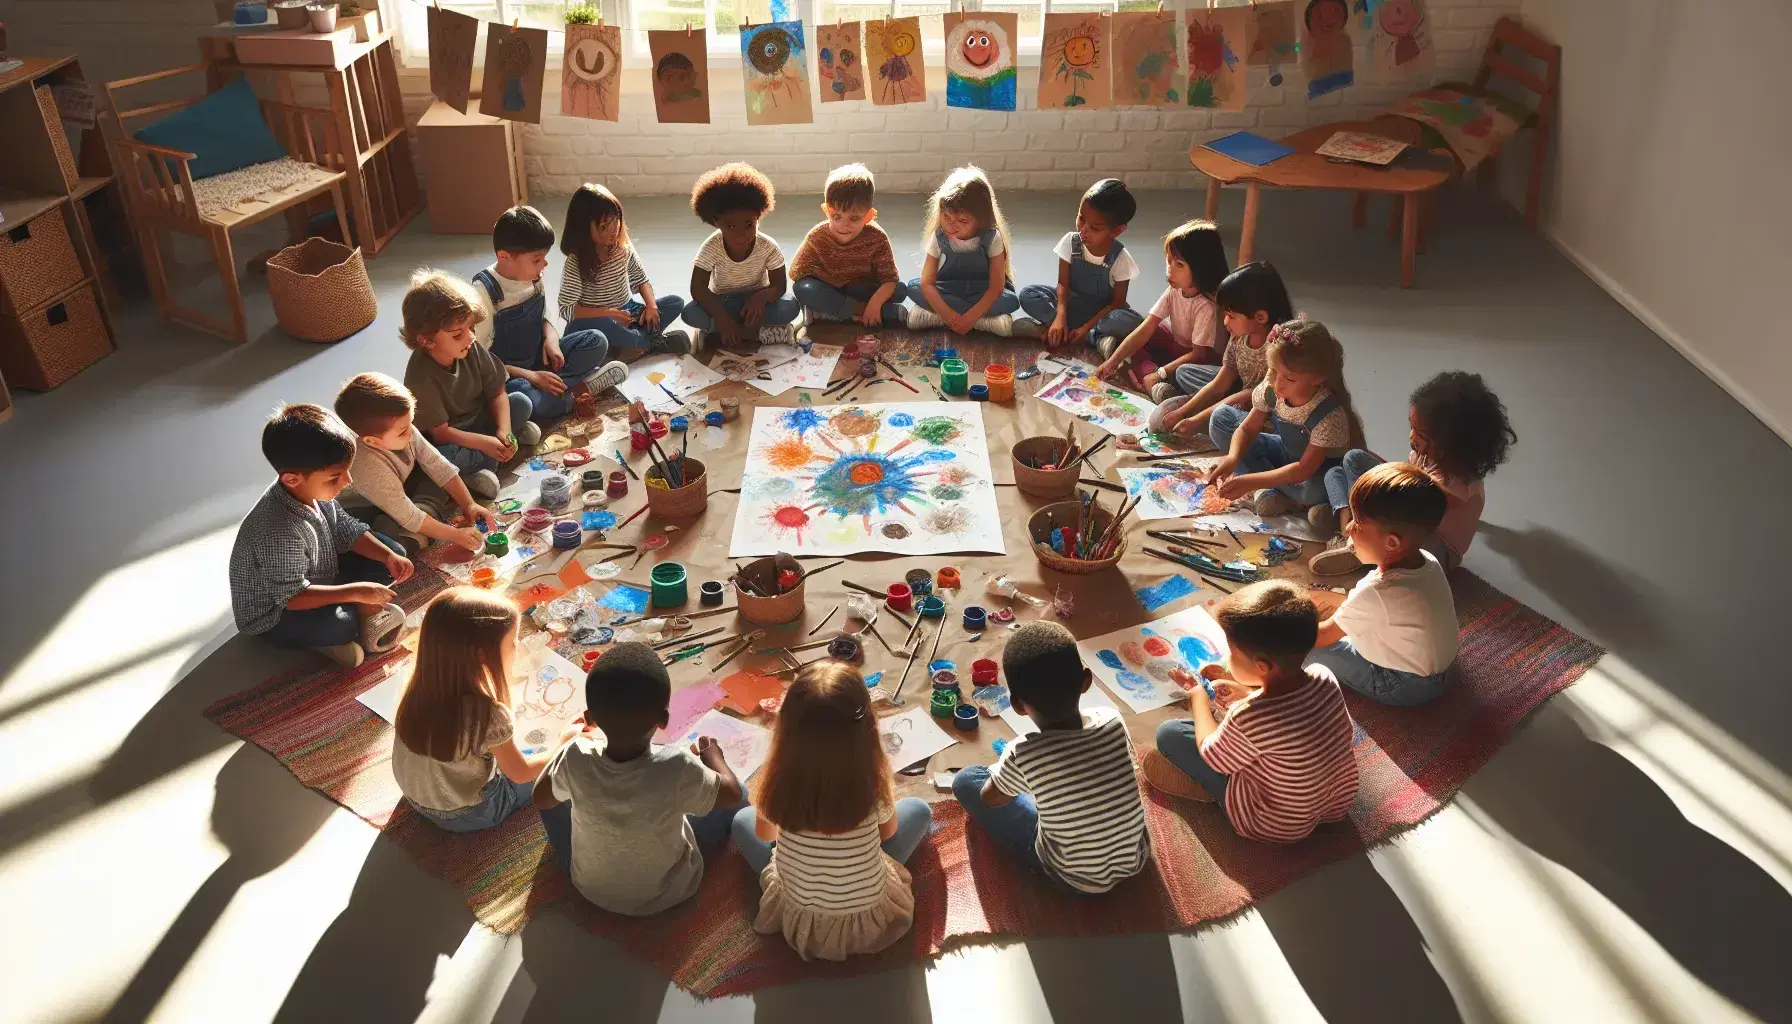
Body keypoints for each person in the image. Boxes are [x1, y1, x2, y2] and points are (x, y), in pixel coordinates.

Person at [732, 662, 931, 960]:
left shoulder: (775, 787)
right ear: (866, 729)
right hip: (866, 915)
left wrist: (805, 832)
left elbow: (764, 834)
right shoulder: (872, 788)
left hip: (800, 914)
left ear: (786, 729)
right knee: (918, 809)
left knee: (742, 820)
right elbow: (887, 835)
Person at [533, 642, 748, 915]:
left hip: (590, 888)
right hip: (667, 892)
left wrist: (564, 748)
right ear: (664, 720)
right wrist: (713, 756)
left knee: (555, 795)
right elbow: (732, 794)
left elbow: (540, 798)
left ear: (590, 719)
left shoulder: (576, 755)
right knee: (738, 792)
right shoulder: (676, 766)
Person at [1143, 581, 1359, 844]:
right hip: (1336, 803)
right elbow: (1297, 717)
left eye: (1232, 652)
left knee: (1170, 734)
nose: (1227, 657)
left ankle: (1209, 793)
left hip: (1274, 824)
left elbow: (1212, 754)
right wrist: (1245, 693)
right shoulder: (1324, 677)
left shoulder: (1247, 716)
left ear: (1262, 666)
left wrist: (1197, 695)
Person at [952, 621, 1149, 894]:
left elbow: (990, 798)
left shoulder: (1022, 753)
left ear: (1018, 705)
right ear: (1086, 681)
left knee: (966, 780)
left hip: (1075, 879)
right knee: (1054, 787)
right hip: (1135, 858)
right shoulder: (1112, 719)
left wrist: (1016, 776)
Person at [227, 403, 412, 668]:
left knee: (393, 554)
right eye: (336, 476)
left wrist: (388, 556)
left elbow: (345, 529)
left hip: (320, 570)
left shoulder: (310, 488)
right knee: (342, 626)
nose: (348, 481)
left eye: (347, 470)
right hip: (279, 612)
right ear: (292, 479)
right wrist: (355, 592)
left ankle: (357, 610)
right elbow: (291, 597)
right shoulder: (277, 530)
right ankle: (337, 636)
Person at [394, 587, 574, 831]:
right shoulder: (487, 714)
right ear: (482, 655)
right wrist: (562, 744)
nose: (517, 648)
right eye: (512, 642)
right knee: (559, 769)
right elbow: (521, 773)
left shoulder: (418, 685)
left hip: (414, 797)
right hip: (467, 814)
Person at [1311, 370, 1516, 574]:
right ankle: (1349, 522)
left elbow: (1410, 504)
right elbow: (1403, 480)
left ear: (1451, 442)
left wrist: (1380, 483)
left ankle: (1355, 541)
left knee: (1373, 488)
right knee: (1349, 462)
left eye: (1421, 434)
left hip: (1433, 545)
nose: (1411, 436)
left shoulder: (1459, 484)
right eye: (1412, 428)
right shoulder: (1427, 455)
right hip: (1406, 514)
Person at [1308, 463, 1460, 706]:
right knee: (1355, 619)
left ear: (1392, 543)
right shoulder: (1428, 560)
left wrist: (1273, 628)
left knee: (1302, 650)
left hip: (1405, 685)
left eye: (1356, 522)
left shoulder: (1377, 591)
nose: (1347, 528)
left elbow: (1321, 637)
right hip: (1444, 668)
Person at [471, 205, 627, 422]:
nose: (544, 264)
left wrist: (552, 340)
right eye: (537, 260)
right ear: (505, 257)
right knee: (523, 398)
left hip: (539, 360)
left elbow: (544, 317)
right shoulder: (483, 294)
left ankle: (559, 388)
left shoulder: (533, 276)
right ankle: (577, 391)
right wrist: (533, 377)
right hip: (512, 376)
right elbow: (482, 364)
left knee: (596, 341)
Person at [1204, 318, 1366, 524]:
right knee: (1221, 420)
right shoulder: (1273, 387)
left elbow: (1302, 470)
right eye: (1272, 370)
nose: (1277, 384)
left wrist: (1250, 481)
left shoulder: (1329, 413)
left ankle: (1281, 496)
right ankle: (1275, 492)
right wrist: (1233, 458)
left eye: (1289, 378)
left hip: (1310, 472)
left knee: (1311, 492)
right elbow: (1247, 430)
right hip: (1285, 452)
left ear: (1317, 378)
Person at [400, 269, 538, 499]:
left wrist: (503, 430)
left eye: (470, 328)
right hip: (453, 440)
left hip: (481, 422)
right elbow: (441, 434)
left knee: (521, 402)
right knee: (439, 458)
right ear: (426, 340)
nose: (470, 337)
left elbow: (497, 392)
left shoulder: (470, 346)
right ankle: (475, 471)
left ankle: (492, 454)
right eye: (457, 334)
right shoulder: (419, 376)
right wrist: (485, 443)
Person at [334, 372, 495, 556]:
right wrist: (455, 535)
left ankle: (425, 516)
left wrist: (468, 505)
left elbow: (438, 465)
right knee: (389, 541)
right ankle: (411, 534)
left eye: (411, 422)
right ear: (373, 442)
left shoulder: (403, 430)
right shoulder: (368, 467)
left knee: (444, 458)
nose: (412, 432)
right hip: (368, 509)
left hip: (401, 488)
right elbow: (408, 515)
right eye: (403, 431)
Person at [1148, 261, 1294, 438]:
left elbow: (1251, 395)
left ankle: (1214, 410)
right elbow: (1220, 382)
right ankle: (1209, 406)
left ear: (1261, 317)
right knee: (1184, 373)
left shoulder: (1279, 345)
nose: (1225, 322)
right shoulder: (1239, 336)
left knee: (1222, 421)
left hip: (1264, 410)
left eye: (1231, 316)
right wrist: (1183, 412)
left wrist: (1196, 419)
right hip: (1238, 393)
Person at [1095, 219, 1229, 398]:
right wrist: (1112, 362)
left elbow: (1198, 355)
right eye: (1168, 261)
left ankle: (1156, 385)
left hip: (1191, 358)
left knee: (1180, 372)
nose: (1169, 271)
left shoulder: (1205, 306)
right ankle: (1139, 370)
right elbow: (1146, 328)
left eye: (1179, 265)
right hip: (1172, 342)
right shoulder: (1174, 289)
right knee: (1131, 327)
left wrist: (1160, 373)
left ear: (1201, 269)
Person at [558, 183, 691, 354]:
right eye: (604, 226)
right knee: (605, 325)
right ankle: (646, 343)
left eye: (616, 221)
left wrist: (651, 306)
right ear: (583, 227)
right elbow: (567, 309)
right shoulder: (575, 262)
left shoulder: (623, 248)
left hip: (627, 311)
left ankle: (628, 346)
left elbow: (642, 280)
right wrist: (609, 313)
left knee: (675, 302)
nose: (614, 230)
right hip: (595, 319)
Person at [680, 162, 801, 348]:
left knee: (791, 306)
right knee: (689, 313)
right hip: (724, 301)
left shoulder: (768, 246)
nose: (741, 234)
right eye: (730, 226)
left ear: (758, 218)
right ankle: (753, 333)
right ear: (716, 222)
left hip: (757, 301)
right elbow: (698, 289)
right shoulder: (710, 247)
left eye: (748, 225)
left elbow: (780, 286)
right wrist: (721, 318)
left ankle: (720, 335)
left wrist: (761, 298)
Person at [1017, 178, 1145, 350]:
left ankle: (1080, 334)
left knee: (1133, 322)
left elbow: (1117, 302)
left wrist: (1086, 328)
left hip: (1100, 315)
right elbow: (1063, 283)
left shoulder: (1120, 259)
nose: (1083, 231)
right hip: (1069, 305)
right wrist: (1060, 315)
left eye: (1095, 228)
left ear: (1117, 231)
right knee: (1028, 294)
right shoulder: (1070, 242)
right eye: (1081, 218)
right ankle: (1065, 329)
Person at [906, 166, 1033, 338]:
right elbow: (926, 283)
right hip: (949, 289)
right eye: (947, 217)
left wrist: (970, 318)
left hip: (981, 292)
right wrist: (949, 317)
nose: (951, 226)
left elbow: (996, 287)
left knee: (1010, 301)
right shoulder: (939, 237)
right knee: (913, 287)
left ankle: (936, 317)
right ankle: (985, 322)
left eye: (962, 221)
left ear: (980, 220)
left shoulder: (991, 237)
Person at [790, 163, 909, 328]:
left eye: (854, 219)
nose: (843, 226)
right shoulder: (817, 236)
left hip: (861, 289)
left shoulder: (877, 237)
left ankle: (831, 314)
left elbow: (889, 279)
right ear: (826, 210)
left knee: (900, 290)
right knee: (803, 288)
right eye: (836, 216)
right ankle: (871, 312)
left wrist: (874, 304)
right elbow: (797, 273)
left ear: (869, 216)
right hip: (831, 289)